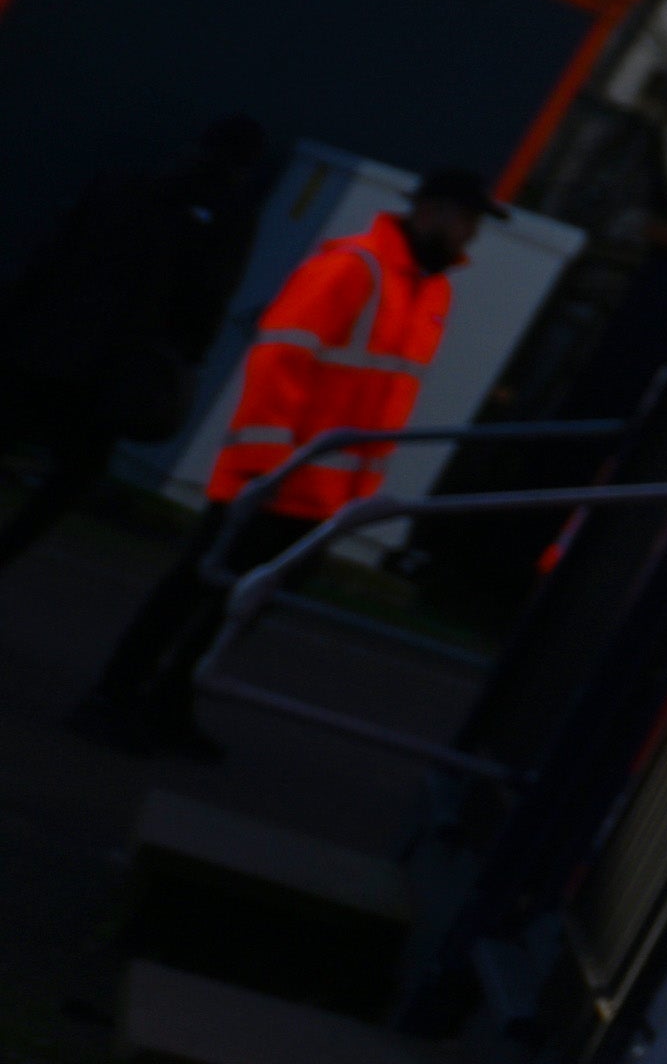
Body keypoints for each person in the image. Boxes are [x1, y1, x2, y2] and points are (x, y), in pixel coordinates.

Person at [76, 162, 482, 756]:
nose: (469, 236)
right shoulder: (356, 267)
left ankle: (165, 702)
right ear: (432, 212)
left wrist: (354, 498)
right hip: (275, 481)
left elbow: (376, 393)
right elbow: (281, 359)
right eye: (466, 221)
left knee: (234, 610)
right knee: (195, 594)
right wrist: (265, 468)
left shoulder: (424, 287)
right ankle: (113, 699)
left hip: (321, 496)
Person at [0, 114, 275, 571]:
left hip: (46, 343)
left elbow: (53, 252)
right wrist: (187, 357)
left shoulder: (128, 184)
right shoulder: (229, 214)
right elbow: (207, 296)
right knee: (73, 476)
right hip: (113, 369)